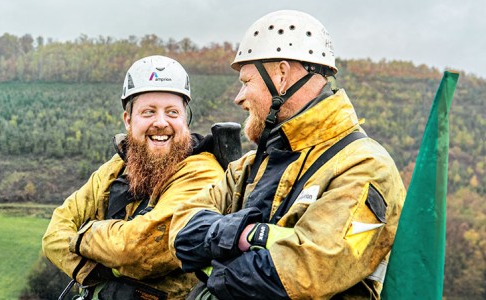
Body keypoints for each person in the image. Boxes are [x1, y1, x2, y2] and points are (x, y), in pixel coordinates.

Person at [169, 10, 407, 299]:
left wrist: (212, 261)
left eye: (246, 82)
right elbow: (180, 232)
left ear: (281, 75)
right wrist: (246, 237)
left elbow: (304, 274)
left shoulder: (364, 166)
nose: (239, 98)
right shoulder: (249, 167)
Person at [43, 55, 224, 299]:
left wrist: (85, 235)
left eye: (172, 112)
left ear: (185, 119)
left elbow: (139, 249)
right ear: (128, 120)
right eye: (148, 112)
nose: (161, 123)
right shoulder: (117, 168)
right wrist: (102, 269)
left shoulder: (202, 173)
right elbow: (54, 234)